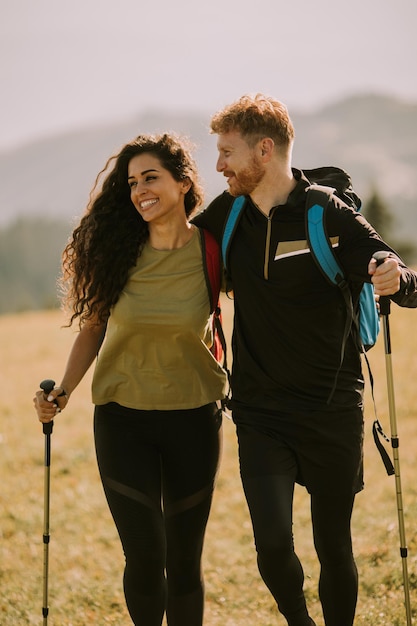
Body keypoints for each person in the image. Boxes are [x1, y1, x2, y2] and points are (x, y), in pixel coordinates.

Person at [192, 93, 417, 626]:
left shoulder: (326, 213)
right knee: (271, 545)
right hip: (260, 411)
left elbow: (406, 282)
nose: (218, 165)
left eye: (227, 152)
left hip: (332, 410)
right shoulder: (227, 213)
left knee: (334, 546)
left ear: (263, 150)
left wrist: (395, 277)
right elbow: (169, 251)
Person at [33, 133, 227, 626]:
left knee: (184, 562)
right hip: (123, 421)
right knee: (144, 556)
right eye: (132, 182)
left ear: (184, 183)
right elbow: (93, 327)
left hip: (194, 417)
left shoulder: (212, 249)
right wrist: (63, 392)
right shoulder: (117, 251)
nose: (139, 189)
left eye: (151, 178)